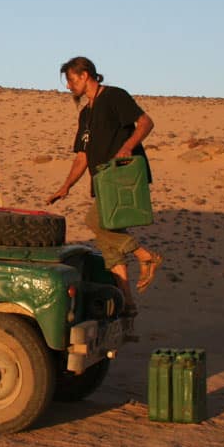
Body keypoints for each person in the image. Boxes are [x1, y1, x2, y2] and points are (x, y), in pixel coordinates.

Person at [48, 56, 163, 315]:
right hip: (101, 182)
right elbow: (82, 157)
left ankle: (146, 255)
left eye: (70, 80)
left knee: (94, 221)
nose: (68, 87)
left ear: (85, 75)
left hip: (122, 179)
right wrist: (65, 186)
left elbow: (146, 122)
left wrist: (127, 147)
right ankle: (129, 303)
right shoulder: (86, 114)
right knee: (109, 246)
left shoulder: (114, 97)